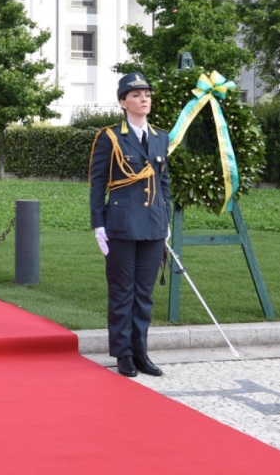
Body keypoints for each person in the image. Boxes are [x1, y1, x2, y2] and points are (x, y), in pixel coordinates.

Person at [88, 72, 171, 378]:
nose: (144, 99)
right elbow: (98, 183)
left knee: (145, 293)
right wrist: (98, 223)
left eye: (147, 94)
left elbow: (163, 182)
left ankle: (141, 352)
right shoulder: (110, 137)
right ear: (123, 102)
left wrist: (166, 218)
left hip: (152, 226)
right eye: (136, 95)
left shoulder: (161, 137)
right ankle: (122, 352)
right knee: (123, 291)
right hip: (121, 224)